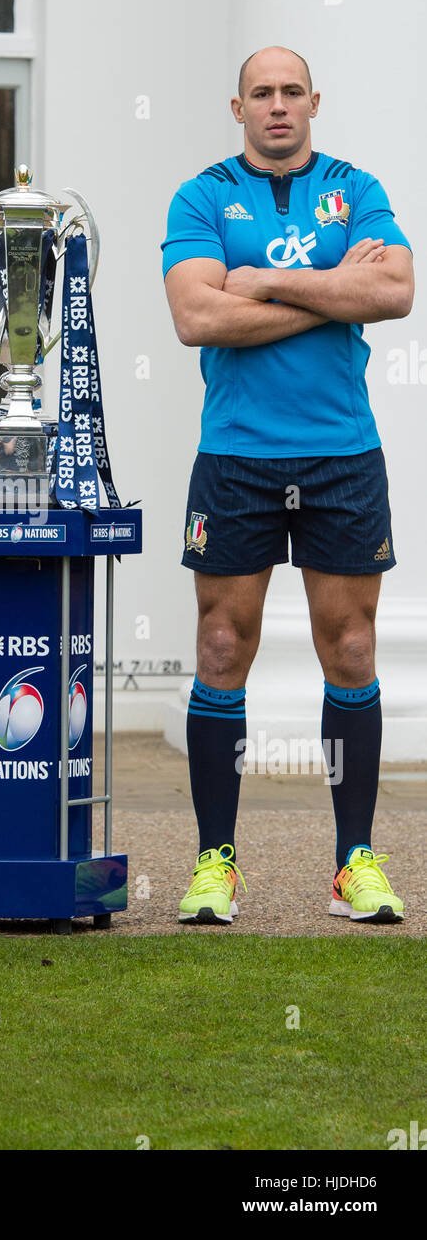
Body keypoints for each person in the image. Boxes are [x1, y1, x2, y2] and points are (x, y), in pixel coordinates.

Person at [161, 46, 414, 927]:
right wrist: (338, 287)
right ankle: (216, 865)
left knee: (349, 649)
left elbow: (398, 292)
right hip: (236, 455)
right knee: (223, 648)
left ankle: (354, 862)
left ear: (316, 100)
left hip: (341, 452)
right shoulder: (202, 196)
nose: (277, 106)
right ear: (237, 108)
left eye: (291, 92)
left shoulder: (360, 187)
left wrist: (264, 279)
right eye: (260, 94)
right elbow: (196, 316)